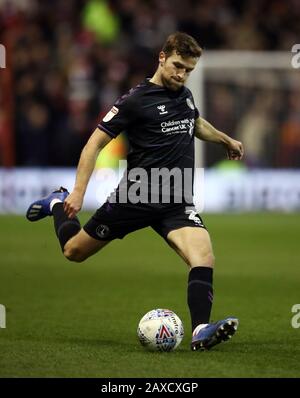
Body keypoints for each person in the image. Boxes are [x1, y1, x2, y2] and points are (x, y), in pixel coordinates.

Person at [26, 32, 244, 351]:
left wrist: (225, 139)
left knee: (204, 256)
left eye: (188, 70)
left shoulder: (184, 95)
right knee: (74, 252)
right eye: (178, 66)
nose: (182, 75)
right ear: (162, 57)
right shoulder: (135, 100)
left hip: (175, 203)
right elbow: (94, 145)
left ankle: (200, 330)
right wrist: (76, 193)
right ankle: (56, 202)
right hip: (135, 198)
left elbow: (194, 122)